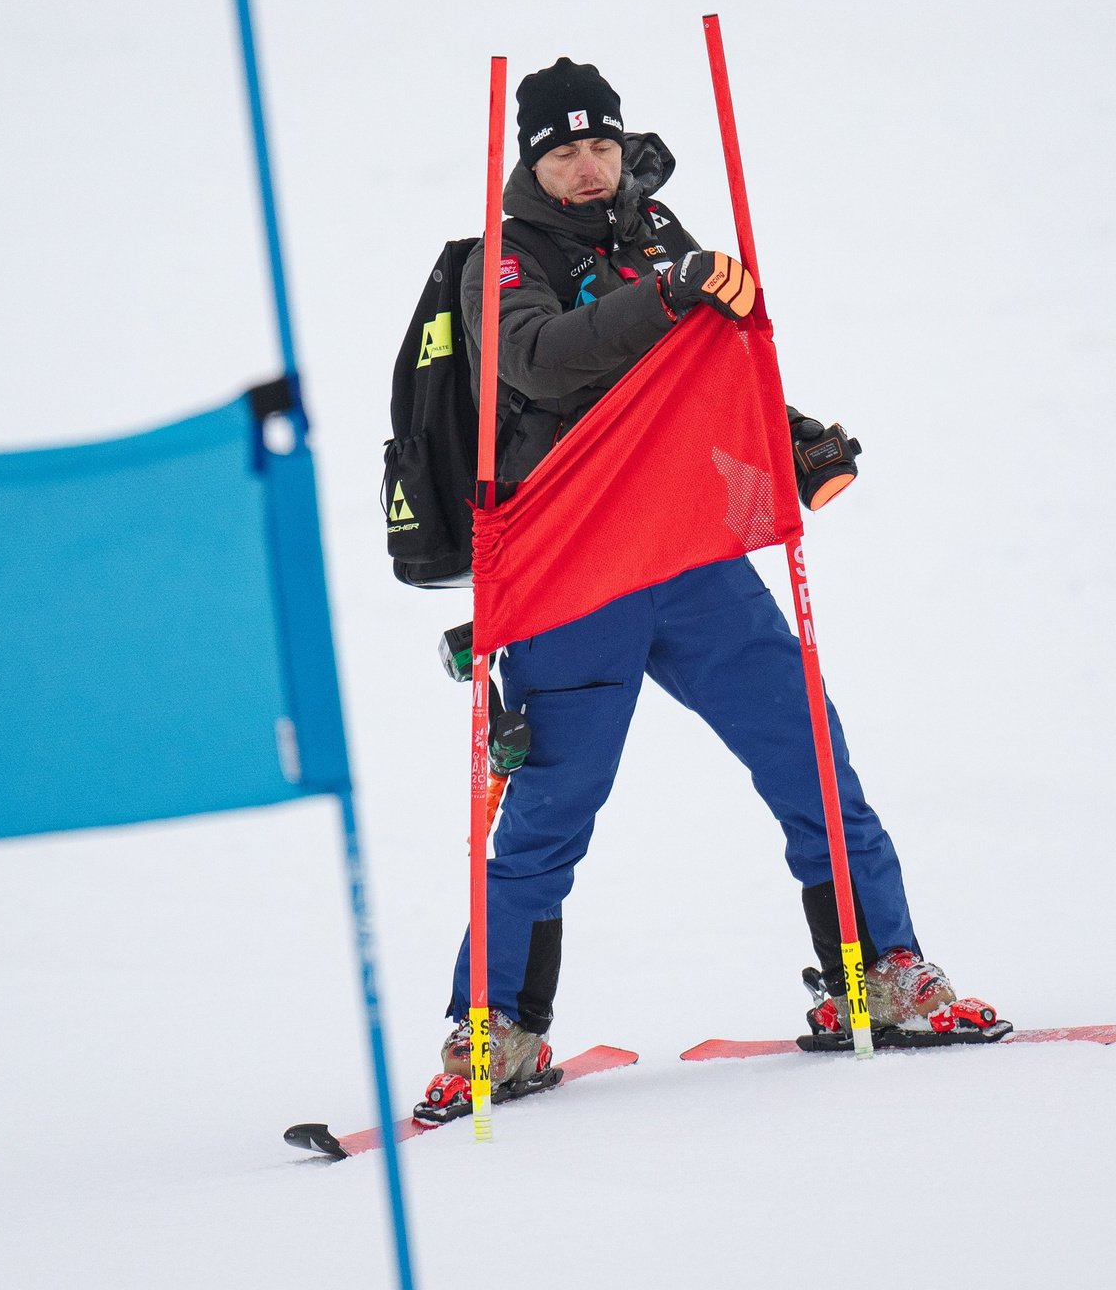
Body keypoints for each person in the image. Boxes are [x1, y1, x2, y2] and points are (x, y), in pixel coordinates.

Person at [415, 59, 1005, 1121]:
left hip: (688, 554)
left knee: (812, 759)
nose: (587, 168)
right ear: (530, 161)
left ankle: (882, 977)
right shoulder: (501, 260)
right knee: (548, 820)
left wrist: (794, 444)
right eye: (562, 151)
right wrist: (668, 289)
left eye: (600, 145)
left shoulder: (657, 232)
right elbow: (541, 363)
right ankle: (492, 1032)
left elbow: (706, 373)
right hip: (571, 567)